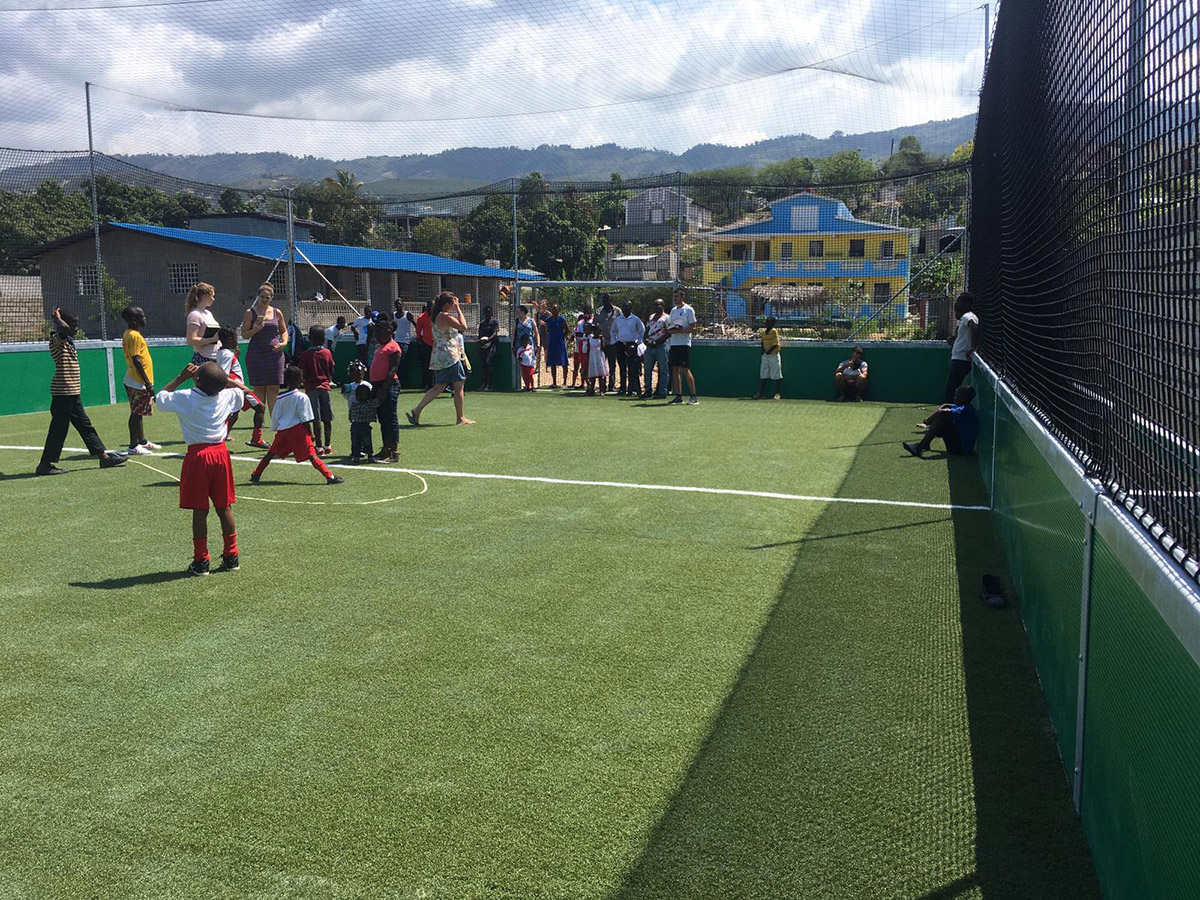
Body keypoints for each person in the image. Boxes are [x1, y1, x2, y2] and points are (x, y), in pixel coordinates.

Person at [154, 362, 244, 575]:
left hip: (198, 456)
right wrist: (223, 380)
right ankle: (232, 556)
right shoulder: (226, 396)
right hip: (221, 454)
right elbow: (240, 389)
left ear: (198, 380)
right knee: (225, 507)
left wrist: (181, 377)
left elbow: (159, 398)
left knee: (200, 509)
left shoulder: (185, 396)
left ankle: (201, 560)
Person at [35, 307, 127, 476]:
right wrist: (56, 318)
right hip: (63, 392)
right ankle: (45, 465)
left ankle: (104, 457)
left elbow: (66, 330)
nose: (76, 329)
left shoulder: (68, 341)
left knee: (85, 425)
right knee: (58, 429)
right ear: (64, 324)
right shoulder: (57, 339)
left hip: (71, 392)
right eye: (73, 325)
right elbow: (63, 329)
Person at [250, 366, 344, 485]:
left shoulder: (279, 397)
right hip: (299, 431)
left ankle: (256, 474)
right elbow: (305, 418)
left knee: (270, 453)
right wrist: (311, 433)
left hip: (283, 431)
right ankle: (329, 476)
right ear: (300, 380)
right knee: (312, 455)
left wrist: (276, 428)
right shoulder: (302, 397)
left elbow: (275, 415)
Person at [407, 291, 475, 426]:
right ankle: (460, 418)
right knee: (458, 385)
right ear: (446, 304)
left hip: (439, 355)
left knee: (439, 386)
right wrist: (458, 308)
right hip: (450, 356)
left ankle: (417, 409)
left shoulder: (435, 316)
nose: (454, 305)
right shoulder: (445, 316)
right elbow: (464, 327)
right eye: (452, 303)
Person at [241, 282, 288, 447]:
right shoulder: (250, 312)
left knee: (274, 390)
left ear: (272, 298)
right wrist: (254, 329)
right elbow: (244, 335)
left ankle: (278, 433)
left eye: (268, 298)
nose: (265, 300)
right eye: (262, 297)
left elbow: (283, 330)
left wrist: (283, 343)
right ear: (258, 297)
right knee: (259, 392)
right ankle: (257, 435)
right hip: (256, 355)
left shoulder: (277, 312)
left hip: (274, 356)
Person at [120, 306, 161, 455]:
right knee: (136, 413)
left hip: (134, 379)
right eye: (142, 316)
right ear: (133, 320)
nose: (145, 319)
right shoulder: (134, 336)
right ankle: (133, 446)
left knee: (139, 412)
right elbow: (136, 359)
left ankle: (142, 441)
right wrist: (147, 383)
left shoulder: (130, 334)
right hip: (137, 380)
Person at [214, 326, 264, 439]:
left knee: (234, 415)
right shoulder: (227, 354)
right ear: (230, 339)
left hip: (236, 389)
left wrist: (235, 357)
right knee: (260, 407)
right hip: (236, 389)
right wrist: (241, 387)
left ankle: (221, 437)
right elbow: (224, 376)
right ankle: (257, 439)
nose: (237, 341)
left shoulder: (223, 352)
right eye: (236, 338)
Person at [904, 386, 979, 457]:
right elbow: (946, 406)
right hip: (958, 445)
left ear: (964, 398)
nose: (954, 398)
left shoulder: (966, 409)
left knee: (943, 418)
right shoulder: (961, 406)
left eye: (957, 396)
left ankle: (921, 446)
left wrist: (928, 420)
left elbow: (943, 412)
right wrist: (944, 406)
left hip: (961, 449)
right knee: (942, 418)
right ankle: (925, 444)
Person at [298, 325, 336, 456]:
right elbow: (331, 369)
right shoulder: (327, 353)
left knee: (316, 418)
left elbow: (303, 372)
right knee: (327, 418)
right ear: (324, 338)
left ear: (310, 338)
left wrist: (304, 381)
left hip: (312, 388)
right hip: (325, 387)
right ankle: (328, 445)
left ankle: (319, 447)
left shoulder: (306, 355)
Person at [369, 317, 403, 462]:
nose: (377, 335)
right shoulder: (380, 347)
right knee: (383, 419)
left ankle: (394, 451)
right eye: (376, 333)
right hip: (379, 385)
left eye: (380, 332)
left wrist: (383, 389)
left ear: (389, 331)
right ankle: (385, 449)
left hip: (388, 385)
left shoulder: (393, 347)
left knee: (390, 418)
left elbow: (392, 369)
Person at [667, 287, 698, 405]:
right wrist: (671, 330)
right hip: (674, 344)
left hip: (684, 344)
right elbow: (670, 325)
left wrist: (680, 330)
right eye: (674, 297)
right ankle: (678, 396)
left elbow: (693, 327)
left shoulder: (688, 310)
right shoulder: (673, 310)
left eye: (677, 297)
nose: (675, 299)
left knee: (685, 369)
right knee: (675, 369)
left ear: (682, 297)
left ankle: (693, 396)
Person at [945, 291, 978, 402]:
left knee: (951, 390)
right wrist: (954, 339)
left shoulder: (967, 316)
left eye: (960, 301)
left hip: (961, 360)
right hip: (959, 359)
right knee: (952, 389)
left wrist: (973, 347)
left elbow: (972, 326)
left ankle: (947, 414)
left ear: (967, 304)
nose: (957, 304)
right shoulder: (966, 317)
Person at [345, 361, 377, 463]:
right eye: (354, 374)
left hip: (364, 413)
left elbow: (371, 397)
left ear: (363, 373)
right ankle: (356, 452)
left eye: (359, 374)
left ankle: (366, 451)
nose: (357, 376)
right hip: (355, 411)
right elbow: (346, 396)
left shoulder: (367, 385)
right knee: (355, 435)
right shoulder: (349, 386)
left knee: (366, 435)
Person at [611, 301, 645, 396]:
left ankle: (633, 388)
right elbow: (613, 331)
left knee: (633, 368)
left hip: (632, 346)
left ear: (631, 308)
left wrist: (637, 342)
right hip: (621, 345)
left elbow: (642, 331)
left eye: (627, 307)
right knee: (622, 367)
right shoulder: (618, 320)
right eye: (623, 307)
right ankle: (622, 388)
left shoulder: (635, 319)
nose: (624, 308)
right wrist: (615, 341)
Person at [184, 281, 221, 365]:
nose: (213, 299)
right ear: (205, 296)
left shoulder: (208, 313)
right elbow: (191, 340)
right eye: (212, 296)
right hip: (203, 358)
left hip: (216, 357)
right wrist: (213, 339)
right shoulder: (194, 315)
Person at [641, 298, 670, 400]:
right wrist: (645, 339)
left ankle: (662, 391)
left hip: (661, 346)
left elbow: (668, 332)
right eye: (655, 305)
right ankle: (648, 390)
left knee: (663, 370)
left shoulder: (667, 318)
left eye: (659, 305)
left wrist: (657, 341)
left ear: (663, 306)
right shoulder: (651, 317)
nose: (657, 307)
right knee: (647, 369)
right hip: (649, 347)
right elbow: (647, 329)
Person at [755, 316, 783, 400]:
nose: (767, 324)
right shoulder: (763, 332)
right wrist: (763, 350)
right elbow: (762, 342)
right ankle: (761, 393)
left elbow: (775, 345)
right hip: (765, 356)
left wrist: (769, 351)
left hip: (773, 355)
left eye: (769, 322)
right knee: (763, 374)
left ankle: (777, 393)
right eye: (766, 322)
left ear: (773, 324)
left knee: (776, 374)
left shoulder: (774, 331)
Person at [595, 293, 618, 393]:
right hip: (602, 343)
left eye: (607, 300)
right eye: (604, 300)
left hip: (613, 342)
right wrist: (600, 337)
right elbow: (595, 326)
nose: (606, 302)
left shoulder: (617, 311)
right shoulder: (599, 312)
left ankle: (611, 385)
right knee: (601, 364)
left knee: (612, 364)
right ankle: (602, 386)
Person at [542, 302, 569, 388]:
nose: (554, 310)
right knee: (553, 363)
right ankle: (554, 382)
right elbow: (547, 330)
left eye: (556, 309)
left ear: (559, 310)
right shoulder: (548, 320)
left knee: (563, 363)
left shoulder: (562, 319)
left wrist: (562, 338)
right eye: (553, 309)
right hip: (552, 343)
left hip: (560, 343)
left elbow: (567, 331)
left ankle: (564, 382)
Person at [477, 305, 500, 391]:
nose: (488, 313)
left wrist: (488, 340)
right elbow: (479, 334)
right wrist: (481, 341)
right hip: (483, 347)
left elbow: (495, 332)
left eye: (489, 312)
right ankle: (484, 383)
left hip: (491, 345)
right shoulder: (482, 323)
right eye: (486, 312)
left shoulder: (494, 322)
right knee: (483, 365)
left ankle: (490, 384)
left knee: (488, 363)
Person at [415, 302, 435, 390]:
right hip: (426, 344)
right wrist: (419, 339)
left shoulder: (438, 316)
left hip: (437, 345)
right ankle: (428, 384)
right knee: (426, 365)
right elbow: (418, 331)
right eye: (431, 306)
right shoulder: (421, 317)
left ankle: (440, 384)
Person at [586, 323, 609, 396]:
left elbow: (603, 348)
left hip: (599, 357)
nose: (599, 332)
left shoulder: (601, 339)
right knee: (593, 375)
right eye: (598, 331)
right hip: (592, 357)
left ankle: (601, 390)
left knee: (601, 375)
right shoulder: (590, 339)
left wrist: (602, 340)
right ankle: (592, 389)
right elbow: (588, 349)